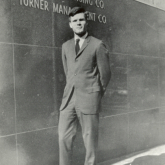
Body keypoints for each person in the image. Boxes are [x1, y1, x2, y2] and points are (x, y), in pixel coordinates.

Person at [58, 7, 111, 165]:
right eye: (75, 21)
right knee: (63, 137)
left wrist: (95, 94)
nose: (78, 23)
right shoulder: (65, 46)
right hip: (69, 101)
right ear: (70, 25)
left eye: (81, 20)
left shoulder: (97, 45)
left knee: (90, 142)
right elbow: (68, 72)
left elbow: (105, 75)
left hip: (89, 98)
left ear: (86, 22)